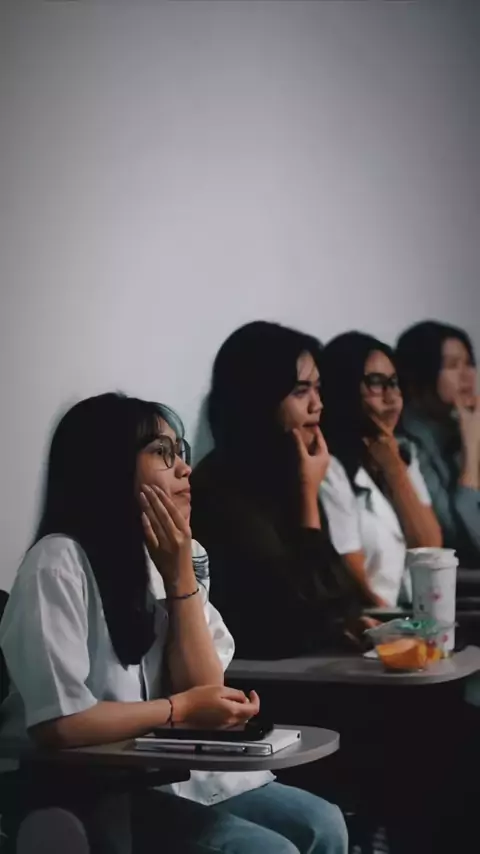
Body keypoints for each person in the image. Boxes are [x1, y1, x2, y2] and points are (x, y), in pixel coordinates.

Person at [0, 392, 347, 854]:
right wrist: (179, 709)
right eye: (162, 453)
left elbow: (204, 689)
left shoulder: (179, 555)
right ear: (109, 468)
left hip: (182, 777)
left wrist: (180, 576)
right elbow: (60, 724)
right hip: (94, 790)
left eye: (180, 452)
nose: (185, 469)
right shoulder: (58, 563)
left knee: (323, 825)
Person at [190, 321, 368, 661]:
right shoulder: (219, 492)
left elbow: (340, 598)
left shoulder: (285, 474)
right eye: (301, 392)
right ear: (258, 400)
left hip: (311, 666)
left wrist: (348, 624)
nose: (317, 405)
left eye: (318, 389)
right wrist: (309, 497)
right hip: (265, 678)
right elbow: (288, 616)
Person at [319, 332, 442, 608]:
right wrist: (392, 624)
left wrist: (393, 467)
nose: (392, 398)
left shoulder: (402, 452)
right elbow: (350, 569)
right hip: (369, 619)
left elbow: (430, 549)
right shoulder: (330, 465)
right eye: (376, 383)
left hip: (407, 613)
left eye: (394, 383)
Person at [396, 321, 480, 567]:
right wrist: (471, 453)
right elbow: (463, 540)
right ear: (419, 376)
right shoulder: (405, 446)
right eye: (452, 365)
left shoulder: (462, 428)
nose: (467, 375)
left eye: (469, 363)